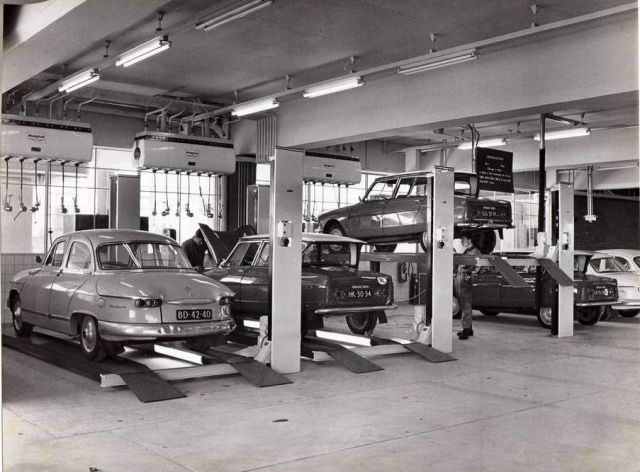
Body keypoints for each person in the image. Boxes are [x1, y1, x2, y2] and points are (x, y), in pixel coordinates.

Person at [455, 233, 481, 340]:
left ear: (470, 240)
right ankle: (468, 328)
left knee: (466, 304)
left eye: (463, 240)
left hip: (465, 278)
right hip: (461, 277)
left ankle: (466, 329)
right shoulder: (467, 251)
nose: (462, 242)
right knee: (464, 304)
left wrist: (468, 275)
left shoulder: (475, 252)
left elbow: (476, 266)